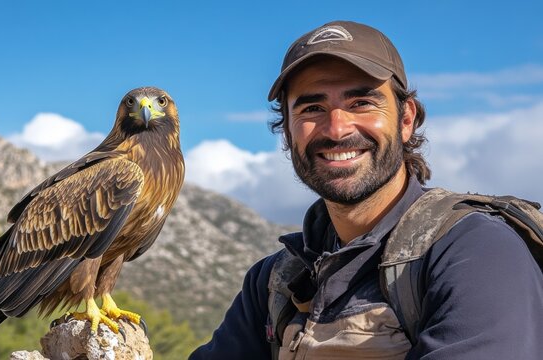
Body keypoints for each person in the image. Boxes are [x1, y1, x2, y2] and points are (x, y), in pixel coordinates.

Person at [189, 20, 543, 359]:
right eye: (312, 107)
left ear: (406, 120)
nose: (337, 129)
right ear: (287, 131)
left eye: (362, 103)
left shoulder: (477, 253)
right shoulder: (273, 283)